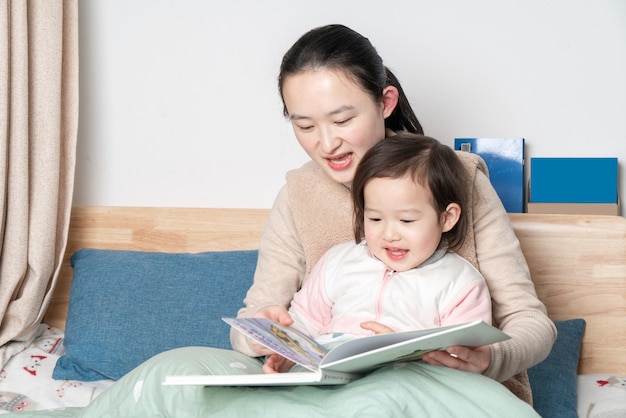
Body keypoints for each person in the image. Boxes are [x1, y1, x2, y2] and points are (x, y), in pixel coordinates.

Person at [232, 23, 556, 402]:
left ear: (385, 103)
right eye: (304, 125)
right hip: (329, 393)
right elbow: (249, 324)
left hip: (446, 395)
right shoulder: (297, 195)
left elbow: (532, 323)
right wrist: (265, 333)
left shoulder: (460, 178)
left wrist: (489, 358)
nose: (326, 143)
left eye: (342, 120)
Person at [264, 134, 493, 374]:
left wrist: (405, 349)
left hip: (405, 380)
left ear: (446, 218)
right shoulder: (338, 261)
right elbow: (304, 322)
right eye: (375, 218)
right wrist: (286, 353)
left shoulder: (460, 282)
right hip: (332, 375)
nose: (389, 234)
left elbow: (461, 357)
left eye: (406, 220)